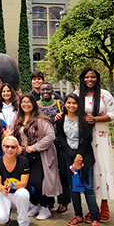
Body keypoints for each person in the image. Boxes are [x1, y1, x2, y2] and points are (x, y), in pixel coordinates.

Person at [55, 93, 102, 226]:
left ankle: (94, 219)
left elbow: (86, 139)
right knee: (74, 188)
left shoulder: (85, 120)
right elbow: (61, 138)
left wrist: (79, 157)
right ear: (65, 104)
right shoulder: (60, 119)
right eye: (68, 103)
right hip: (69, 157)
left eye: (74, 103)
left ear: (78, 105)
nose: (71, 106)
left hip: (85, 157)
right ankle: (78, 215)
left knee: (88, 188)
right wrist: (73, 156)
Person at [74, 68, 114, 223]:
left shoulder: (104, 95)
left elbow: (113, 115)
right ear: (82, 78)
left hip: (101, 137)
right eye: (87, 77)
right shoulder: (77, 94)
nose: (90, 79)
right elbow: (70, 108)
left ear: (97, 79)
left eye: (93, 77)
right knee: (88, 171)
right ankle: (93, 207)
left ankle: (104, 204)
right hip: (83, 137)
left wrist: (96, 120)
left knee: (103, 168)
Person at [14, 94, 61, 221]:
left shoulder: (41, 119)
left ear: (34, 104)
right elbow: (16, 135)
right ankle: (36, 205)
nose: (26, 104)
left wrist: (34, 147)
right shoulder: (19, 118)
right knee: (27, 182)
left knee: (38, 182)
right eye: (23, 102)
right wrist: (17, 146)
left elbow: (50, 136)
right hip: (24, 156)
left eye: (29, 102)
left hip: (40, 156)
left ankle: (45, 208)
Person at [37, 82, 68, 214]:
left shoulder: (60, 104)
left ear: (52, 90)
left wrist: (61, 117)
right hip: (43, 143)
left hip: (58, 142)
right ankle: (49, 200)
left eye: (48, 89)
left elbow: (69, 118)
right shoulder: (36, 106)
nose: (45, 91)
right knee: (46, 172)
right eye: (43, 89)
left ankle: (63, 201)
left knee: (61, 172)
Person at [0, 136, 31, 226]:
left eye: (13, 147)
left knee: (23, 193)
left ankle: (23, 224)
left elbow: (24, 183)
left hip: (18, 192)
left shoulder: (23, 161)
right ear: (2, 147)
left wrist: (12, 185)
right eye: (7, 146)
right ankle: (6, 219)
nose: (9, 149)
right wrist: (3, 188)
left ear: (17, 148)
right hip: (4, 193)